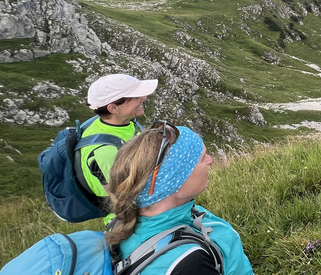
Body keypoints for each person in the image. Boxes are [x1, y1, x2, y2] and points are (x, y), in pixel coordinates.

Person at [105, 122, 254, 275]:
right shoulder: (190, 265)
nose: (211, 160)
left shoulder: (125, 225)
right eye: (202, 158)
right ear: (174, 182)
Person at [79, 74, 157, 202]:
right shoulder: (104, 152)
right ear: (113, 108)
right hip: (127, 218)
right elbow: (121, 199)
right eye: (136, 97)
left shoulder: (121, 123)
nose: (144, 98)